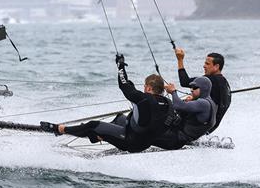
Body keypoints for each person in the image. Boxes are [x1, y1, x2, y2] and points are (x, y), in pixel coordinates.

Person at [40, 54, 174, 153]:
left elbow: (124, 86)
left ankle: (60, 129)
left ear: (149, 88)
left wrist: (120, 66)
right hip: (145, 142)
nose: (144, 89)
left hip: (130, 142)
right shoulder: (169, 104)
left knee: (93, 125)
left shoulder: (144, 99)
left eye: (145, 86)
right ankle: (97, 136)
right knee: (120, 118)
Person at [150, 76, 218, 150]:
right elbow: (182, 111)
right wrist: (190, 102)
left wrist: (173, 92)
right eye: (191, 87)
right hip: (177, 139)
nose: (191, 90)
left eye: (194, 87)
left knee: (146, 134)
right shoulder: (210, 103)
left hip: (174, 139)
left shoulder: (203, 104)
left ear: (203, 89)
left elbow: (178, 106)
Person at [175, 48, 230, 132]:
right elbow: (215, 98)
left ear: (216, 66)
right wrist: (194, 98)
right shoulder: (225, 83)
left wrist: (180, 59)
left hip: (198, 125)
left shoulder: (209, 80)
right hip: (211, 126)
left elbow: (184, 81)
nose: (204, 66)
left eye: (207, 64)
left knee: (176, 106)